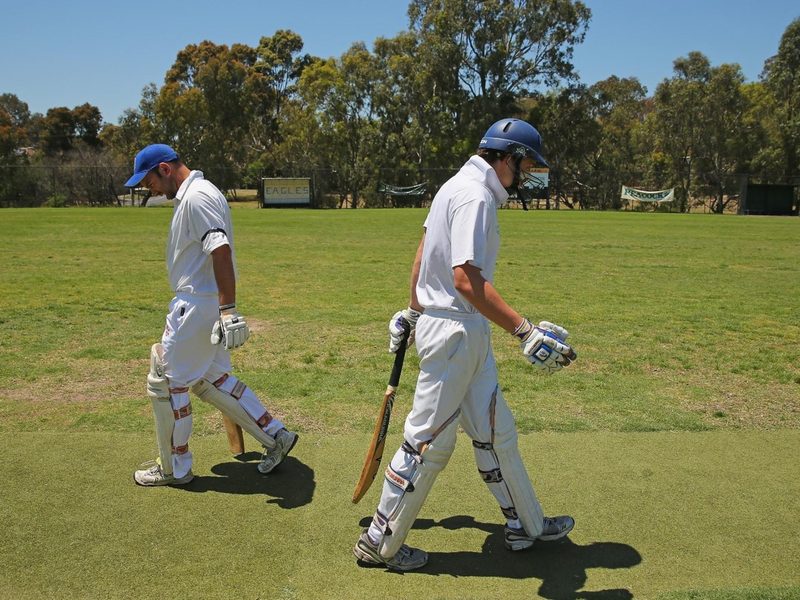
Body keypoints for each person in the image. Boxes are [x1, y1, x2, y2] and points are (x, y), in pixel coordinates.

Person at [353, 118, 578, 571]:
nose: (526, 173)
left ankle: (527, 525)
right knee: (426, 444)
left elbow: (422, 254)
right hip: (456, 331)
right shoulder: (475, 195)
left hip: (461, 331)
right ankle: (379, 542)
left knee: (497, 434)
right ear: (506, 156)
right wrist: (524, 329)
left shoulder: (453, 187)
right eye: (525, 163)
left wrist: (414, 310)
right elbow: (466, 279)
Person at [125, 144, 298, 486]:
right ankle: (275, 436)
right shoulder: (201, 192)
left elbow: (219, 248)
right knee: (212, 379)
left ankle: (175, 468)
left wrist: (228, 308)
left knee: (166, 380)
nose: (150, 190)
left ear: (164, 168)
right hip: (203, 303)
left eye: (149, 182)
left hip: (197, 304)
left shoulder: (196, 197)